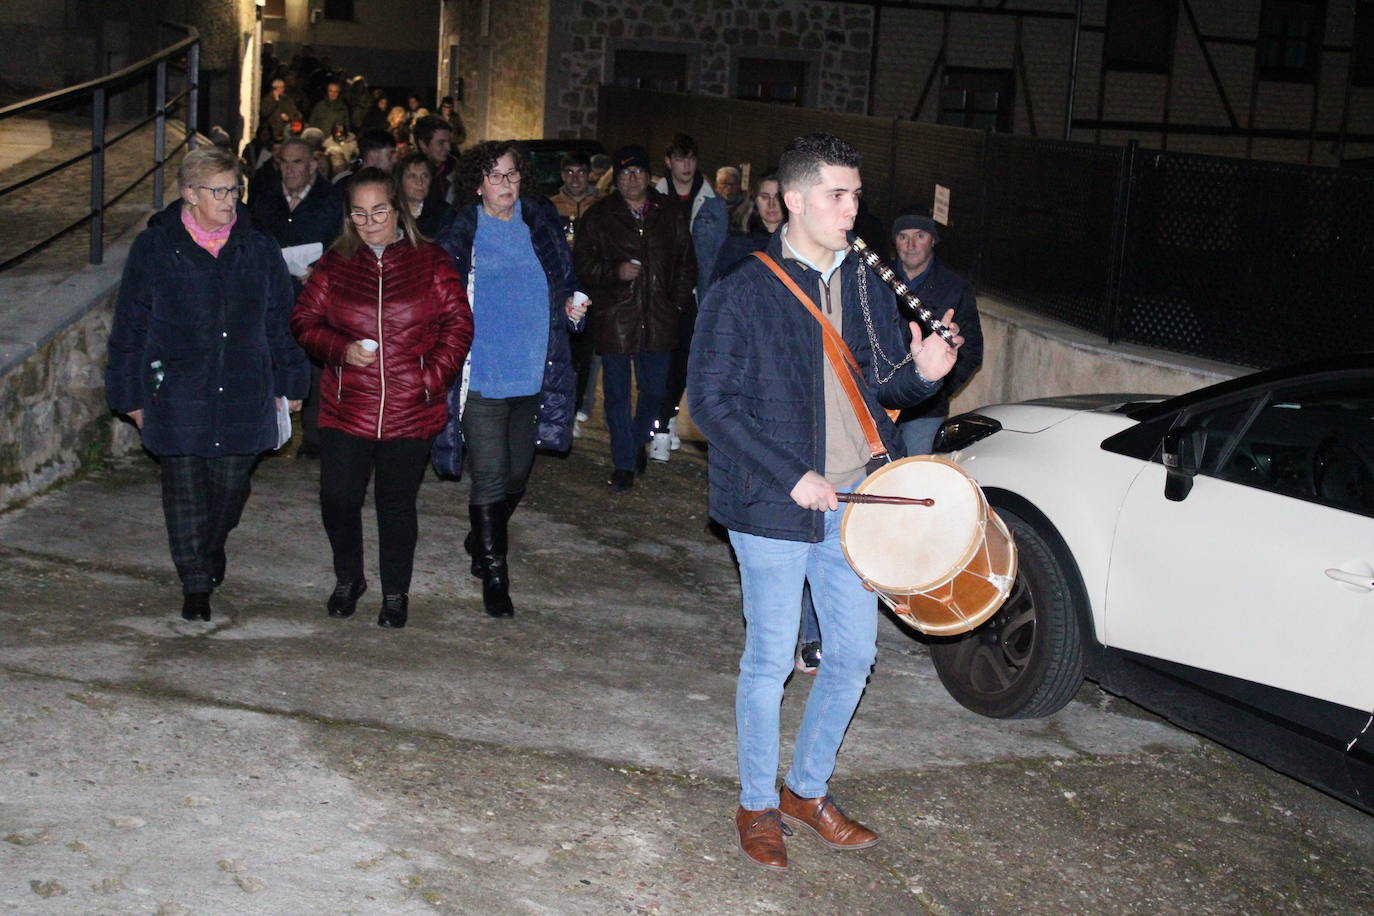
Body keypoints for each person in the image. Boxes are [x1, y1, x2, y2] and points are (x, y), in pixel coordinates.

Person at [687, 133, 960, 870]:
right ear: (798, 200)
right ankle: (755, 805)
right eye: (840, 196)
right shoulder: (742, 288)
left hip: (857, 497)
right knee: (770, 658)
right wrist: (789, 473)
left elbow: (875, 390)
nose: (853, 208)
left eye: (856, 195)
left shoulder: (864, 282)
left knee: (853, 655)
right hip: (776, 503)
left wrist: (925, 375)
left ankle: (805, 791)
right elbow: (709, 405)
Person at [106, 147, 310, 621]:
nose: (230, 201)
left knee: (231, 486)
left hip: (244, 386)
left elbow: (281, 318)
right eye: (218, 191)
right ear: (189, 194)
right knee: (184, 490)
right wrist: (129, 394)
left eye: (235, 190)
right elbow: (131, 325)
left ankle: (210, 546)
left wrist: (292, 379)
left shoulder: (257, 246)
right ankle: (195, 582)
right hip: (177, 390)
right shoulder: (156, 248)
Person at [291, 168, 473, 629]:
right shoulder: (335, 264)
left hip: (409, 408)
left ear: (397, 209)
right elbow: (304, 322)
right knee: (338, 498)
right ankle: (349, 578)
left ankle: (396, 591)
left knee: (395, 505)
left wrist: (429, 379)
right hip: (346, 404)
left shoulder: (430, 260)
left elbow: (458, 325)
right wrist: (340, 350)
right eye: (359, 213)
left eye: (379, 211)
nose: (370, 221)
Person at [433, 140, 585, 617]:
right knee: (492, 474)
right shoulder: (462, 233)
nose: (505, 184)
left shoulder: (540, 224)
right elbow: (440, 300)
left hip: (533, 373)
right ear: (477, 181)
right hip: (483, 376)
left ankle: (483, 530)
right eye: (495, 175)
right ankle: (495, 574)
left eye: (512, 175)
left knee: (519, 473)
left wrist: (573, 310)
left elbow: (563, 287)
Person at [574, 145, 695, 491]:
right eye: (625, 172)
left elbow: (687, 264)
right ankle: (624, 463)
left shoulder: (668, 214)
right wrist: (615, 271)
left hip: (659, 318)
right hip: (615, 317)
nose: (632, 179)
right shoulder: (600, 216)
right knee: (615, 395)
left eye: (638, 172)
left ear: (648, 175)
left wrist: (676, 303)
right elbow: (583, 265)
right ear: (616, 177)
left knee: (655, 391)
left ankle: (634, 441)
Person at [249, 136, 344, 459]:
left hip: (317, 295)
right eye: (285, 163)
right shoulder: (264, 200)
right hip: (275, 295)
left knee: (317, 366)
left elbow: (342, 243)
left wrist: (318, 270)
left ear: (313, 165)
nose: (290, 170)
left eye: (297, 162)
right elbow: (254, 239)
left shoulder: (332, 200)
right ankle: (267, 431)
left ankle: (314, 438)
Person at [650, 133, 728, 463]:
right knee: (656, 360)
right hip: (659, 293)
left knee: (683, 361)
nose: (686, 166)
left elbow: (719, 253)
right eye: (680, 159)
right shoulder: (654, 198)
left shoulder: (712, 203)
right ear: (668, 161)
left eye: (691, 159)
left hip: (697, 295)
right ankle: (659, 423)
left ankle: (666, 421)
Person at [889, 207, 984, 456]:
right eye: (903, 236)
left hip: (925, 410)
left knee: (912, 476)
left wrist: (938, 387)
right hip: (879, 404)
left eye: (919, 236)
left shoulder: (955, 286)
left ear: (933, 240)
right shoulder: (876, 279)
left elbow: (971, 349)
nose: (910, 244)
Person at [547, 150, 604, 433]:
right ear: (562, 175)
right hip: (560, 286)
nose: (575, 178)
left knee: (586, 353)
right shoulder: (551, 205)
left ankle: (578, 406)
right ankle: (561, 409)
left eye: (581, 172)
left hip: (590, 286)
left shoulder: (600, 205)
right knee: (562, 351)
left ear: (589, 174)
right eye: (569, 172)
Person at [711, 171, 786, 282]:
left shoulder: (797, 244)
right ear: (755, 199)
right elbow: (718, 288)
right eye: (764, 197)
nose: (771, 204)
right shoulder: (737, 244)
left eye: (777, 197)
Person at [395, 151, 453, 238]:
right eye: (412, 176)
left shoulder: (444, 213)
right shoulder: (392, 213)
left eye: (425, 176)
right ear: (400, 181)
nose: (419, 182)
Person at [414, 115, 458, 209]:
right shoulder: (405, 175)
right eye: (441, 142)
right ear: (423, 144)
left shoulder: (457, 170)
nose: (448, 148)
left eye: (449, 142)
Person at [332, 129, 397, 185]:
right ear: (373, 154)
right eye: (391, 153)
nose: (395, 160)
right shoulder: (344, 184)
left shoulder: (392, 183)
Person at [260, 77, 301, 144]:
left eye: (283, 87)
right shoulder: (267, 100)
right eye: (280, 88)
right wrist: (275, 101)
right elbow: (264, 113)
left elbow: (295, 113)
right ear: (275, 88)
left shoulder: (287, 100)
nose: (282, 90)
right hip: (272, 133)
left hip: (286, 132)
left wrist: (288, 118)